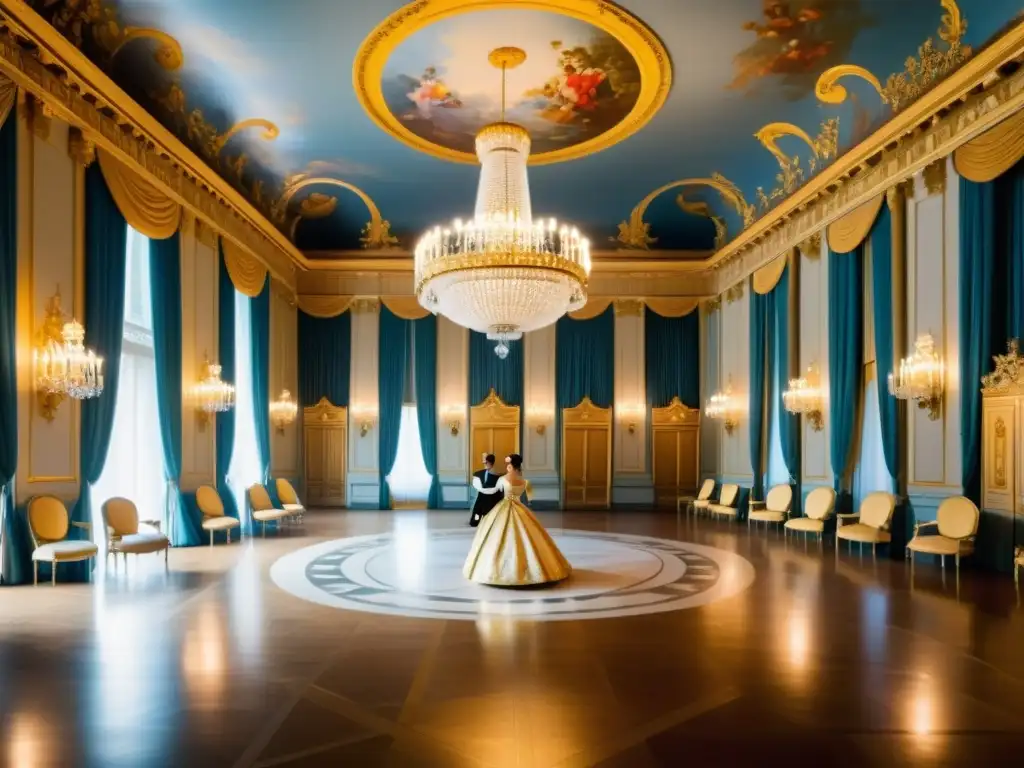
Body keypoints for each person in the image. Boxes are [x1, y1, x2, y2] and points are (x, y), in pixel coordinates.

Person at [463, 453, 571, 587]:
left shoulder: (502, 479)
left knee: (496, 536)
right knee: (528, 535)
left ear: (510, 466)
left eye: (508, 464)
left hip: (503, 507)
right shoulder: (525, 482)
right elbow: (530, 499)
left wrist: (479, 489)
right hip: (520, 508)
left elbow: (492, 492)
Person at [468, 454, 501, 527]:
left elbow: (498, 488)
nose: (486, 464)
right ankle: (476, 521)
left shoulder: (497, 475)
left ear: (491, 463)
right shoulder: (478, 474)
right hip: (483, 496)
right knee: (477, 510)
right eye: (485, 462)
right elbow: (476, 485)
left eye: (487, 462)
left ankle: (488, 521)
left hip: (492, 497)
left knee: (489, 510)